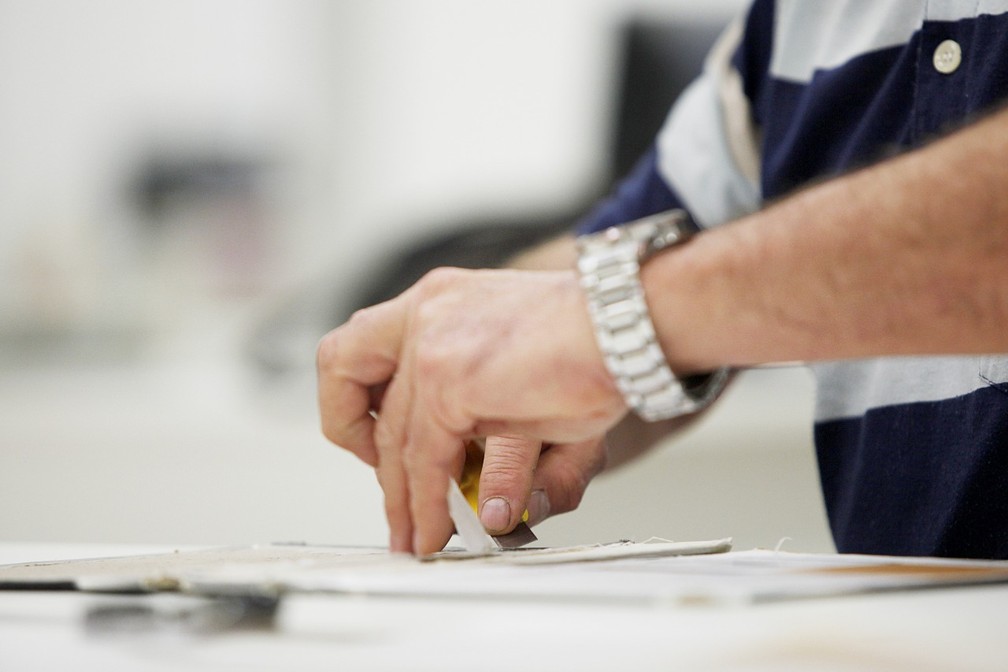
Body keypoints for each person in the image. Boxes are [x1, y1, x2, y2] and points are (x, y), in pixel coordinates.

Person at [317, 1, 1008, 559]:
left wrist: (611, 321)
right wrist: (485, 363)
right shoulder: (797, 21)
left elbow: (630, 297)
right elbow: (645, 258)